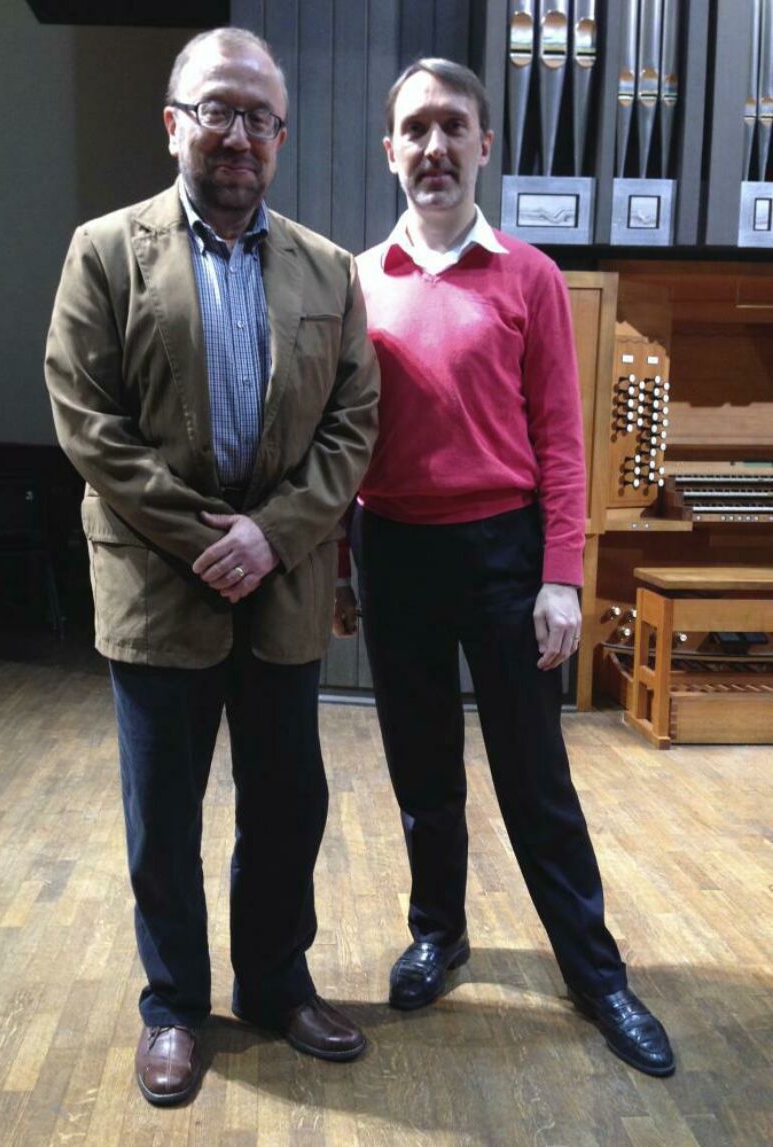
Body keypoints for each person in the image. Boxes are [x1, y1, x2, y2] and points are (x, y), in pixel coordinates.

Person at [45, 27, 379, 1106]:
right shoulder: (104, 249)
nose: (238, 135)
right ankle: (174, 1006)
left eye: (258, 119)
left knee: (287, 805)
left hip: (280, 584)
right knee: (165, 818)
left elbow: (352, 423)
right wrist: (205, 534)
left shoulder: (328, 267)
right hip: (157, 583)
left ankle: (276, 985)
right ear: (174, 122)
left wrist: (271, 534)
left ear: (278, 137)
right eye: (217, 111)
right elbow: (86, 419)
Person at [341, 58, 674, 1077]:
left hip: (503, 550)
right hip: (391, 547)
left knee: (535, 778)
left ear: (484, 145)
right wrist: (340, 570)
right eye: (415, 129)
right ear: (389, 151)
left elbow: (562, 440)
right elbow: (341, 434)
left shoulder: (527, 276)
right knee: (420, 771)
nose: (433, 147)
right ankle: (438, 932)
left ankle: (595, 973)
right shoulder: (355, 280)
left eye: (453, 127)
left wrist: (560, 575)